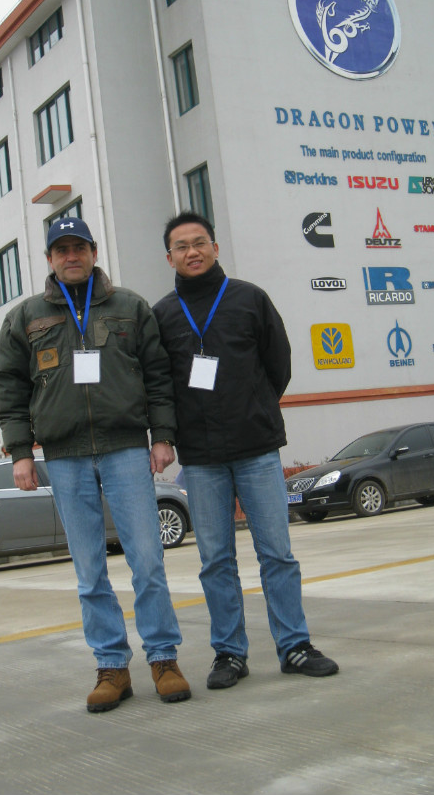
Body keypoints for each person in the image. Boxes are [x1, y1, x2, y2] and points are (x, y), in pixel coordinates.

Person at [0, 217, 191, 712]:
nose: (71, 256)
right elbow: (10, 389)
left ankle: (164, 659)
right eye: (61, 250)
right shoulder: (25, 317)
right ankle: (112, 667)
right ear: (49, 259)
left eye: (78, 247)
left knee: (147, 561)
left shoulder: (130, 307)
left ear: (94, 252)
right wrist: (21, 452)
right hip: (65, 457)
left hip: (126, 449)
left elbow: (158, 376)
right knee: (89, 571)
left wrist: (163, 436)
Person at [153, 210, 339, 689]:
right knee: (216, 560)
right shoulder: (163, 315)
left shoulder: (249, 298)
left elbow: (279, 365)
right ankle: (229, 654)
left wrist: (253, 407)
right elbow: (160, 384)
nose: (192, 252)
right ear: (169, 257)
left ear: (215, 248)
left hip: (256, 448)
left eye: (200, 242)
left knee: (277, 553)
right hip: (201, 458)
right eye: (181, 246)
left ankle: (294, 646)